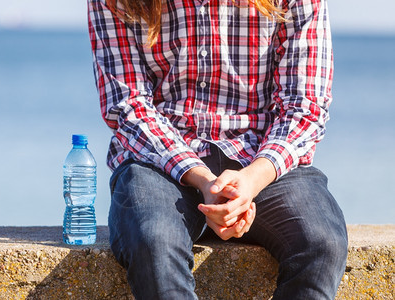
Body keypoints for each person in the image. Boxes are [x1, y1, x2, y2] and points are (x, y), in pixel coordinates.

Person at [88, 0, 348, 298]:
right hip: (160, 160)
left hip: (262, 158)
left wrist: (251, 180)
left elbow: (305, 106)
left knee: (322, 244)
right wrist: (201, 177)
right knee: (154, 240)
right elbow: (127, 105)